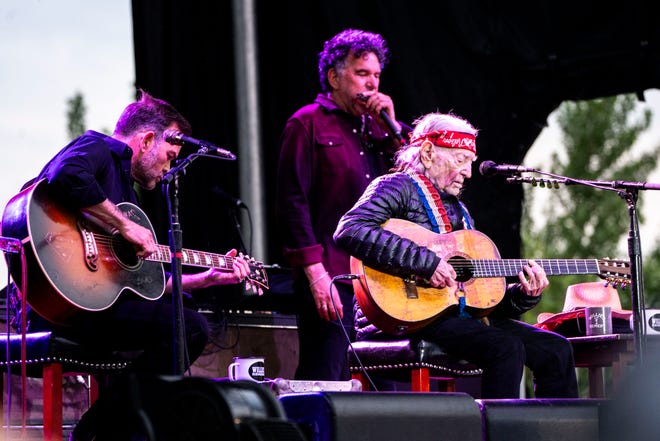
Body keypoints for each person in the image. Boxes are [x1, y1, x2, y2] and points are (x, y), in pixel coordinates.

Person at [17, 90, 252, 440]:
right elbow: (66, 175)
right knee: (187, 327)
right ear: (145, 140)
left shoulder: (127, 193)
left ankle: (122, 428)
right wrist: (125, 226)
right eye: (169, 156)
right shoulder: (98, 148)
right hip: (61, 306)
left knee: (182, 315)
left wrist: (209, 278)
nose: (168, 168)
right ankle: (98, 431)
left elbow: (144, 284)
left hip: (97, 305)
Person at [333, 112, 578, 398]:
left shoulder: (460, 213)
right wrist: (426, 263)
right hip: (399, 315)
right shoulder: (395, 187)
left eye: (470, 163)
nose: (468, 173)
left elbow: (479, 301)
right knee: (504, 347)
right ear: (427, 153)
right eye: (460, 160)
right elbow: (350, 229)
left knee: (557, 349)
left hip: (451, 315)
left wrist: (523, 295)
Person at [275, 28, 410, 381]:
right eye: (362, 73)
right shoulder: (307, 123)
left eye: (376, 75)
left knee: (385, 378)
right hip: (332, 274)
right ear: (334, 77)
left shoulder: (382, 130)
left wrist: (392, 126)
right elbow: (292, 204)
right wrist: (316, 275)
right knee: (328, 372)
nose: (371, 84)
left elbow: (419, 181)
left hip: (382, 277)